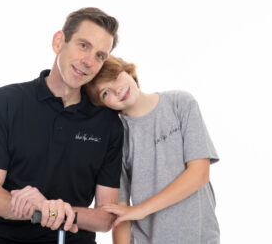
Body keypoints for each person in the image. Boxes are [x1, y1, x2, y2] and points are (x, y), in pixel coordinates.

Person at [0, 7, 124, 244]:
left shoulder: (108, 124)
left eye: (100, 55)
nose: (89, 62)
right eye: (83, 45)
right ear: (59, 42)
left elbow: (104, 218)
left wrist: (55, 211)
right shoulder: (4, 102)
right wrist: (39, 209)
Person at [85, 55, 220, 244]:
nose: (116, 89)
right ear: (102, 106)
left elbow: (199, 174)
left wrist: (140, 209)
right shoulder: (117, 138)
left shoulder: (180, 103)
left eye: (115, 77)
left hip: (200, 238)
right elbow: (121, 212)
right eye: (105, 93)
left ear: (128, 71)